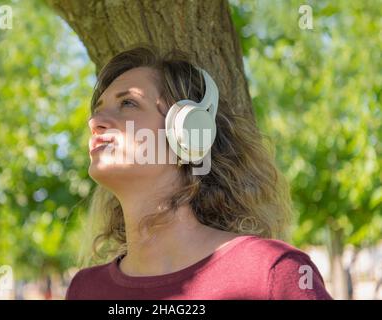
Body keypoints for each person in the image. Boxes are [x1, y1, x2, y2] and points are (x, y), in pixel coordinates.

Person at [66, 44, 332, 300]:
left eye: (128, 103)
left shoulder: (271, 273)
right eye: (97, 111)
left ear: (190, 132)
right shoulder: (85, 289)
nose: (95, 122)